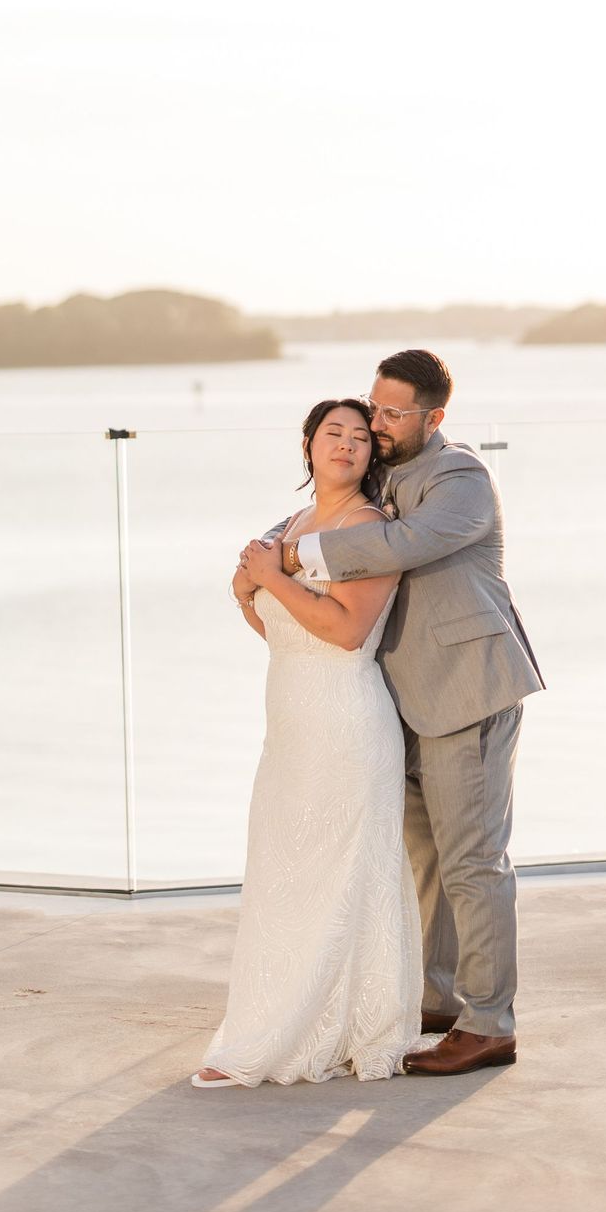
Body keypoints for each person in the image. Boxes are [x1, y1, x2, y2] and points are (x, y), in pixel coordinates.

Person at [241, 348, 543, 1077]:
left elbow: (407, 543)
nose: (374, 424)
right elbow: (310, 527)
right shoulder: (380, 473)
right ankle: (436, 1000)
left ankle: (489, 1023)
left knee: (472, 862)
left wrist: (294, 559)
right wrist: (262, 558)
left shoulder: (459, 477)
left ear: (434, 417)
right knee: (427, 860)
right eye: (371, 408)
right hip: (391, 702)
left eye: (389, 413)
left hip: (465, 689)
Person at [192, 397, 424, 1088]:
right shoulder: (290, 527)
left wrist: (268, 580)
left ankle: (324, 1032)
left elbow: (348, 632)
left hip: (348, 723)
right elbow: (287, 632)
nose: (348, 445)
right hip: (290, 723)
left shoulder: (371, 528)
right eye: (334, 433)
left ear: (372, 455)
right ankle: (286, 1018)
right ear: (308, 444)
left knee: (340, 875)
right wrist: (248, 592)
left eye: (360, 437)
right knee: (285, 872)